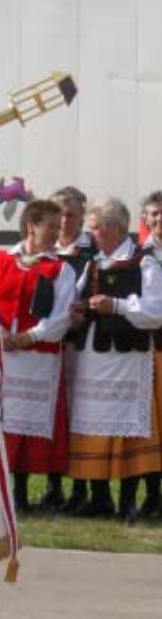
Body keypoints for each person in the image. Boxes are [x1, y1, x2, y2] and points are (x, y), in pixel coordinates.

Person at [67, 198, 162, 522]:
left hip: (127, 356)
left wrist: (117, 306)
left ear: (114, 228)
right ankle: (99, 496)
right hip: (93, 356)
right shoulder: (94, 263)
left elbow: (155, 313)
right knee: (93, 424)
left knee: (128, 429)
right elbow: (75, 301)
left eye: (94, 228)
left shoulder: (143, 262)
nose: (90, 235)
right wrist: (76, 311)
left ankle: (128, 500)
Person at [0, 200, 77, 513]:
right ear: (31, 225)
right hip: (1, 353)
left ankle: (21, 491)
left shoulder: (61, 269)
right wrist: (1, 333)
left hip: (37, 357)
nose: (57, 233)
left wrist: (28, 337)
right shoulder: (0, 259)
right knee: (0, 419)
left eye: (59, 228)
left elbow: (61, 318)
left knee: (28, 422)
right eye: (51, 226)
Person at [49, 186, 94, 512]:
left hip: (82, 345)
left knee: (77, 414)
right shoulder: (41, 249)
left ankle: (81, 488)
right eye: (61, 214)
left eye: (72, 215)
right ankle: (53, 486)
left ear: (82, 218)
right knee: (51, 413)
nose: (65, 221)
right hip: (47, 346)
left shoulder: (92, 253)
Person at [136, 190, 162, 520]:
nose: (158, 219)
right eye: (153, 214)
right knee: (152, 429)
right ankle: (152, 496)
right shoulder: (138, 258)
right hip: (152, 350)